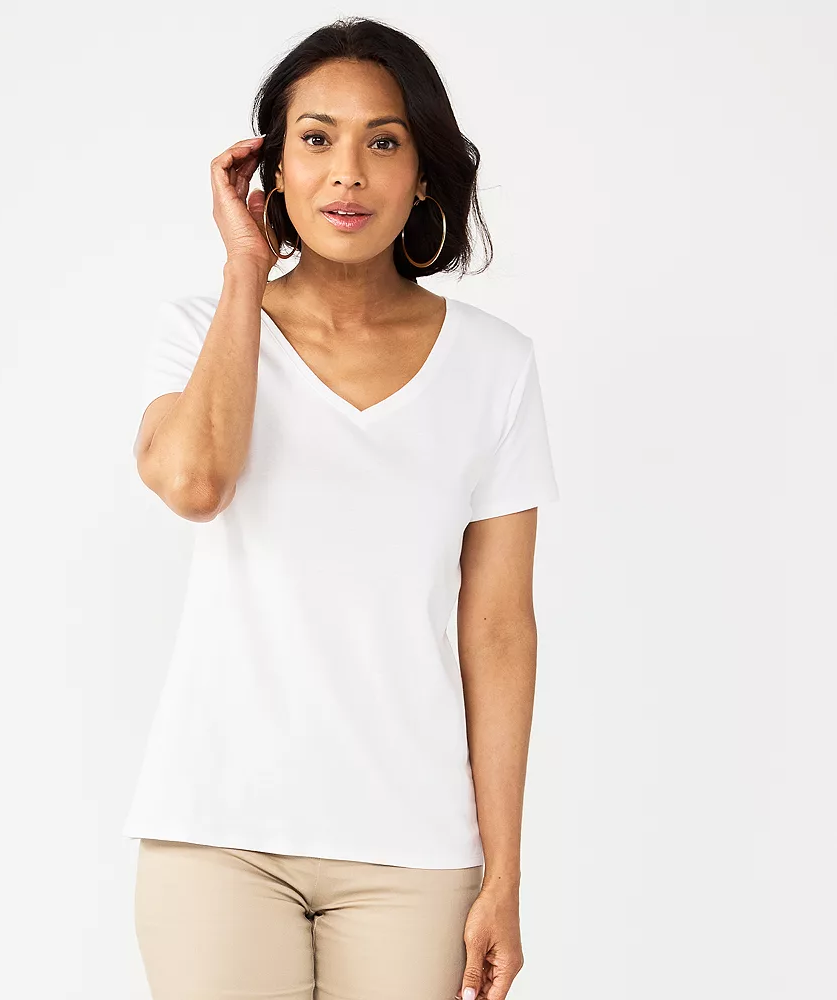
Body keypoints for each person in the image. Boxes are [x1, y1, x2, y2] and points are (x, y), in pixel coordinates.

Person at [124, 16, 560, 1000]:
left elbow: (498, 629)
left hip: (414, 847)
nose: (348, 173)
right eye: (316, 139)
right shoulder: (199, 332)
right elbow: (195, 484)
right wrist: (244, 271)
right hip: (217, 833)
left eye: (383, 141)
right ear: (271, 169)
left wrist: (504, 875)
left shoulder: (494, 366)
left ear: (423, 173)